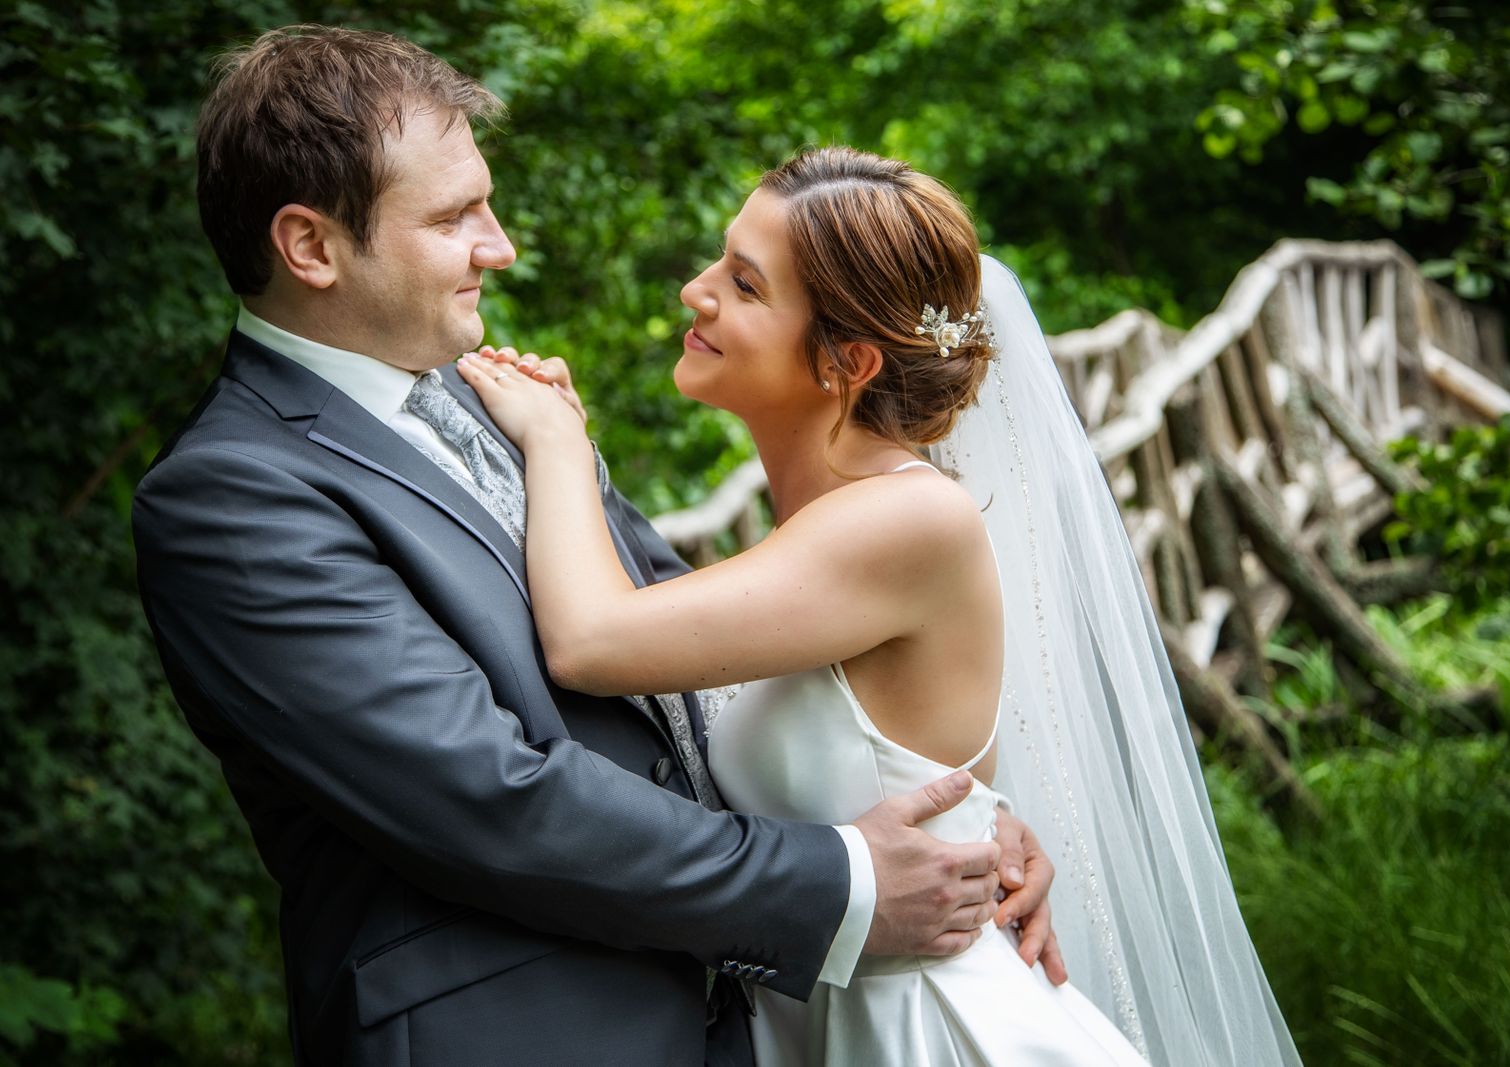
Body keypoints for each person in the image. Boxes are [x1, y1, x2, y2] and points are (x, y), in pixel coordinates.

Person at [132, 28, 1062, 1067]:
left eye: (485, 204)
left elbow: (693, 669)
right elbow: (488, 798)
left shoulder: (489, 396)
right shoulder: (232, 495)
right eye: (451, 217)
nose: (498, 246)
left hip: (735, 1019)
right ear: (310, 247)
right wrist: (844, 879)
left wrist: (958, 828)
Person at [464, 147, 1304, 1065]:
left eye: (744, 284)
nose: (694, 292)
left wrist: (556, 441)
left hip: (925, 1027)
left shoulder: (906, 519)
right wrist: (986, 821)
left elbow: (590, 640)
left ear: (847, 361)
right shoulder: (826, 525)